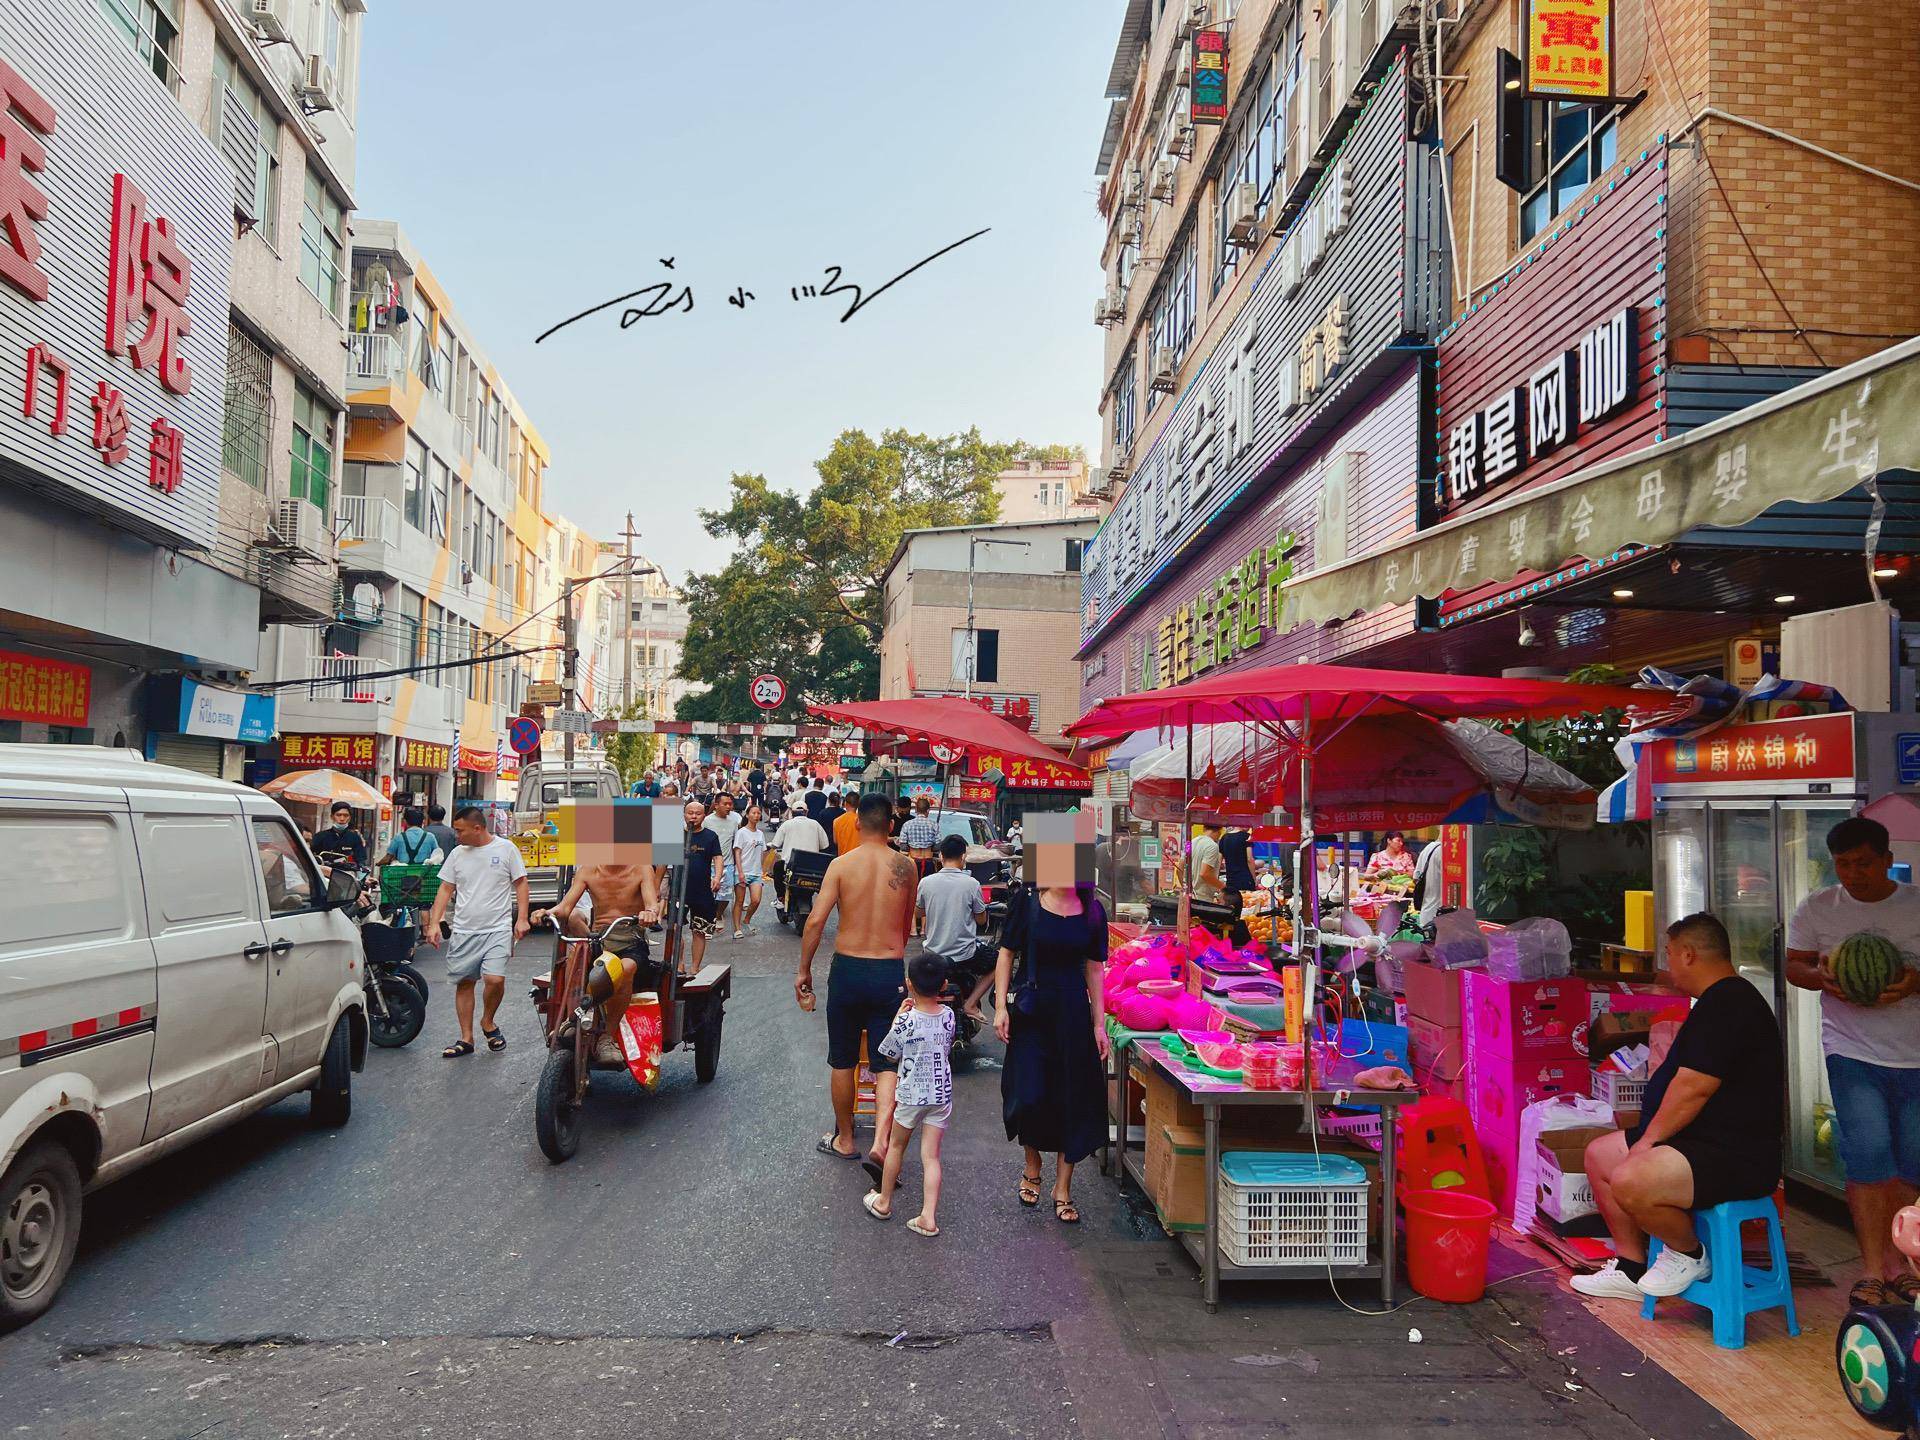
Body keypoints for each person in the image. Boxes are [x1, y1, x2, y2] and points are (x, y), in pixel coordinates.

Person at [1574, 912, 1783, 1302]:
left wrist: (1648, 1141)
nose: (1668, 967)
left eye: (1669, 955)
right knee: (1600, 1156)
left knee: (1630, 1178)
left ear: (1688, 954)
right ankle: (1631, 1267)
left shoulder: (1731, 1003)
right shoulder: (1714, 1001)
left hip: (1734, 1154)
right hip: (1694, 1140)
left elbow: (1694, 1088)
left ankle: (1689, 1253)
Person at [1785, 815, 1920, 1307]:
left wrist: (1914, 983)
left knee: (1911, 1164)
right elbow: (1793, 963)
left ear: (1887, 860)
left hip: (1916, 1058)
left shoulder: (1916, 905)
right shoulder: (1819, 909)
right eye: (1843, 864)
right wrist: (1822, 977)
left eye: (1863, 863)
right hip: (1852, 1052)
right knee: (1867, 1157)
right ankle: (1871, 1268)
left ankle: (1900, 1263)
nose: (1853, 873)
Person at [798, 793, 918, 1182]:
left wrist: (804, 971)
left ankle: (845, 1139)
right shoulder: (907, 866)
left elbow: (815, 922)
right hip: (888, 972)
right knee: (887, 1064)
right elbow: (905, 925)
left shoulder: (840, 865)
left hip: (847, 970)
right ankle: (881, 1142)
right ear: (891, 825)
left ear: (857, 823)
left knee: (843, 1057)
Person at [996, 854, 1109, 1225]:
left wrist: (1099, 1024)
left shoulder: (1093, 911)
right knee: (1027, 1093)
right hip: (1031, 1011)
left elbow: (1094, 969)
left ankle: (1063, 1188)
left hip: (1073, 1013)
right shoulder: (1027, 901)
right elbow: (1006, 953)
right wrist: (999, 1006)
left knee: (1072, 1099)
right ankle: (1032, 1163)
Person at [422, 806, 530, 1058]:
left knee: (495, 979)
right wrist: (434, 923)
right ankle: (466, 1038)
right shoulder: (458, 854)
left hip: (497, 928)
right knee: (465, 983)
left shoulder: (506, 849)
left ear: (477, 828)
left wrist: (522, 919)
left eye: (460, 830)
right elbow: (445, 889)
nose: (456, 835)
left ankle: (488, 1021)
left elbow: (521, 883)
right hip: (464, 930)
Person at [861, 952, 957, 1237]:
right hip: (940, 1095)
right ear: (944, 985)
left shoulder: (907, 1021)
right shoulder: (949, 1016)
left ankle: (884, 1201)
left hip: (912, 1095)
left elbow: (888, 1054)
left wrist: (896, 1019)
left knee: (897, 1147)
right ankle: (928, 1216)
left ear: (908, 984)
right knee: (931, 1157)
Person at [535, 860, 662, 1064]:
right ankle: (572, 1019)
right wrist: (547, 912)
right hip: (600, 940)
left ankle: (607, 1038)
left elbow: (652, 903)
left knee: (624, 969)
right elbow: (565, 907)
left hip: (630, 941)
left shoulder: (641, 868)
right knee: (576, 954)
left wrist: (650, 913)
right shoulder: (588, 869)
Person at [919, 834, 990, 1020]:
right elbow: (981, 920)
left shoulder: (926, 882)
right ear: (963, 857)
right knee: (999, 963)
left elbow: (918, 913)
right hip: (965, 956)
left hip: (933, 954)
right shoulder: (972, 884)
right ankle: (971, 1003)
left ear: (941, 856)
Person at [681, 799, 726, 974]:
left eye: (697, 813)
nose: (693, 816)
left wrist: (717, 876)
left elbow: (718, 857)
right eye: (690, 813)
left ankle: (694, 967)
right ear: (684, 814)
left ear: (704, 815)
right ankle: (679, 963)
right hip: (679, 890)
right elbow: (662, 864)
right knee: (675, 928)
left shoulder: (710, 836)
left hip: (701, 891)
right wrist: (657, 887)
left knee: (699, 930)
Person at [770, 802, 830, 913]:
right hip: (813, 869)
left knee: (777, 867)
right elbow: (825, 845)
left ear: (792, 813)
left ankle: (780, 898)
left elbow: (776, 844)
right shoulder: (815, 824)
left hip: (791, 867)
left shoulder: (787, 824)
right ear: (806, 812)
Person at [703, 792, 744, 935]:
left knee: (725, 896)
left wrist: (739, 866)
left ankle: (718, 914)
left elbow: (735, 844)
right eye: (725, 804)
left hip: (728, 865)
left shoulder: (734, 822)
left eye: (730, 804)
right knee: (707, 896)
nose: (728, 807)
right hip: (709, 865)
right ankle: (707, 925)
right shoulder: (707, 821)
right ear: (716, 805)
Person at [731, 801, 768, 938]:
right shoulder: (741, 832)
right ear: (747, 815)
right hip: (742, 871)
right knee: (739, 901)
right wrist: (740, 872)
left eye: (758, 813)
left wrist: (762, 869)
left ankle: (747, 919)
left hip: (756, 873)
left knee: (756, 900)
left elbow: (763, 852)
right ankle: (737, 929)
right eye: (753, 813)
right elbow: (737, 853)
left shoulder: (760, 834)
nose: (756, 815)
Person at [378, 806, 442, 871]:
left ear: (405, 821)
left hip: (401, 875)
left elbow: (388, 858)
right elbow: (437, 855)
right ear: (423, 821)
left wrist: (378, 863)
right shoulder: (430, 837)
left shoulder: (398, 837)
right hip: (423, 875)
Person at [311, 802, 367, 868]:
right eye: (338, 815)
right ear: (332, 817)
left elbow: (361, 860)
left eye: (346, 815)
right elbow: (311, 857)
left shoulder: (355, 837)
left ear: (349, 818)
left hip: (347, 874)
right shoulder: (320, 836)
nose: (342, 819)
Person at [1189, 823, 1226, 905]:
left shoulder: (1189, 843)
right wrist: (1223, 887)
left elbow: (1180, 867)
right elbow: (1204, 873)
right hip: (1203, 898)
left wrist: (1187, 889)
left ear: (1204, 828)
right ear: (1219, 831)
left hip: (1189, 896)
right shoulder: (1212, 846)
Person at [1220, 827, 1256, 895]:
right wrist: (1254, 878)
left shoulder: (1224, 837)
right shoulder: (1246, 836)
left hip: (1230, 879)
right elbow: (1249, 859)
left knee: (1233, 902)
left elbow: (1219, 861)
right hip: (1245, 879)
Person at [832, 789, 861, 859]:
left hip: (842, 859)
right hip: (858, 859)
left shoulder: (836, 821)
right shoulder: (861, 821)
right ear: (858, 804)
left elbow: (835, 841)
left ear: (845, 803)